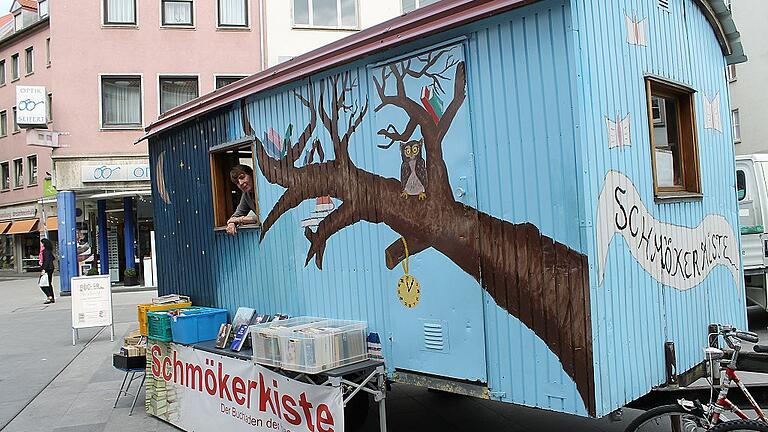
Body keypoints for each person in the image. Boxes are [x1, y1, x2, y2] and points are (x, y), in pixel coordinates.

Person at [226, 164, 258, 236]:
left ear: (252, 174)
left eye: (242, 177)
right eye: (237, 182)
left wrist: (239, 220)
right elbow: (237, 214)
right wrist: (231, 223)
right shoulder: (246, 195)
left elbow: (262, 217)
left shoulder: (264, 187)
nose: (240, 183)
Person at [39, 238, 55, 304]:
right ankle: (51, 297)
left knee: (42, 284)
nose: (41, 244)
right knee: (48, 283)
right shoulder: (49, 251)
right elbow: (53, 258)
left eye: (42, 243)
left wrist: (44, 269)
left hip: (47, 269)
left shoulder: (45, 251)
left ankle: (49, 297)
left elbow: (46, 261)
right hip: (50, 268)